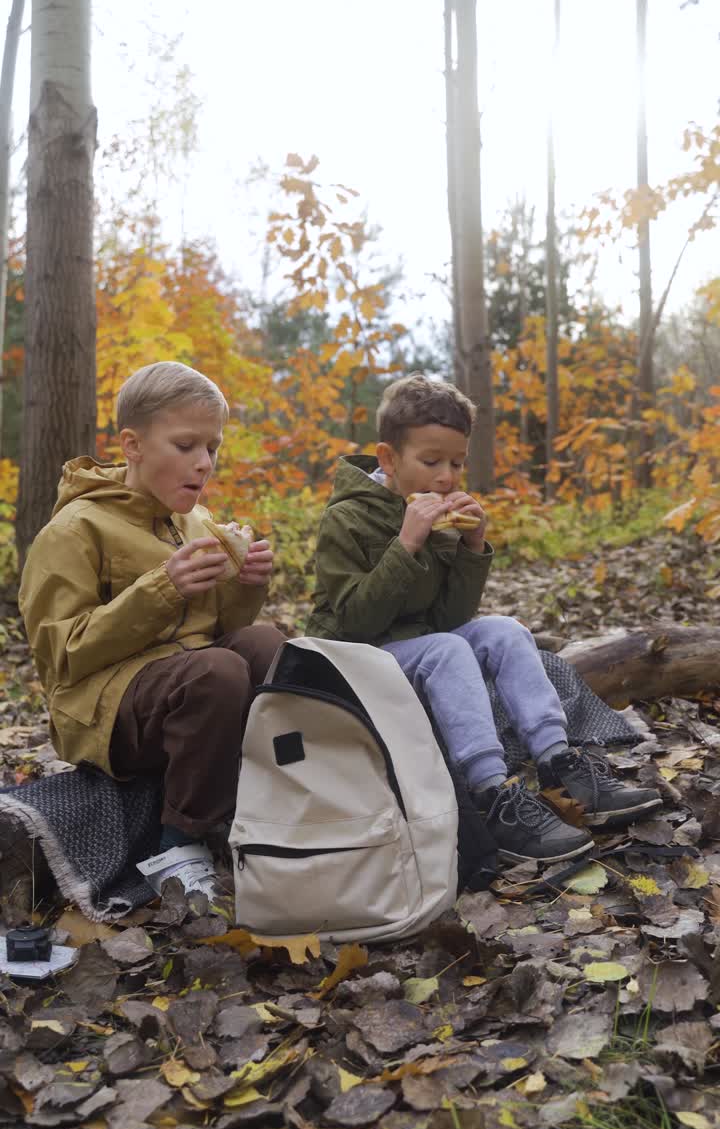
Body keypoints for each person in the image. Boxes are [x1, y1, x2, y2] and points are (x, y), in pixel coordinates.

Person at [306, 372, 661, 865]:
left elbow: (453, 616)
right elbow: (352, 622)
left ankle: (561, 764)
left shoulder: (435, 512)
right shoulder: (346, 518)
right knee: (448, 649)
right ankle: (492, 794)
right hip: (358, 659)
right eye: (431, 461)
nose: (447, 476)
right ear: (388, 459)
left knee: (506, 630)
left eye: (456, 463)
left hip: (422, 647)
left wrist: (473, 547)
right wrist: (406, 544)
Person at [19, 361, 285, 898]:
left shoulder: (196, 522)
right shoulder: (73, 529)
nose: (203, 463)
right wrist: (163, 588)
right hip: (103, 709)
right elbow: (60, 654)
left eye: (212, 448)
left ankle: (281, 805)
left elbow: (221, 627)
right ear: (133, 445)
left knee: (267, 642)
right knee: (217, 671)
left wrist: (247, 586)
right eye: (186, 445)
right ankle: (177, 844)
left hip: (184, 687)